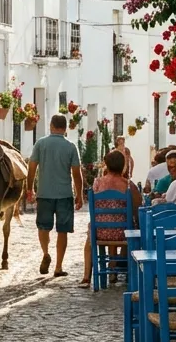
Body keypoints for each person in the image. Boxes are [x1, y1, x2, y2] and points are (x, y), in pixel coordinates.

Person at [26, 113, 83, 278]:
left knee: (43, 227)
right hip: (65, 194)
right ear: (65, 129)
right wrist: (79, 195)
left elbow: (32, 168)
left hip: (44, 193)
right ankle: (58, 266)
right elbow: (76, 173)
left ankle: (45, 253)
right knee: (62, 230)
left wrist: (30, 188)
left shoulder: (41, 144)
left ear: (51, 126)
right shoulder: (71, 147)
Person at [81, 149, 144, 287]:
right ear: (123, 166)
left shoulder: (97, 183)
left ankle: (86, 276)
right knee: (129, 227)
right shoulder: (128, 185)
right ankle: (116, 269)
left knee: (89, 240)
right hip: (123, 233)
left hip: (100, 232)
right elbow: (138, 207)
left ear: (106, 165)